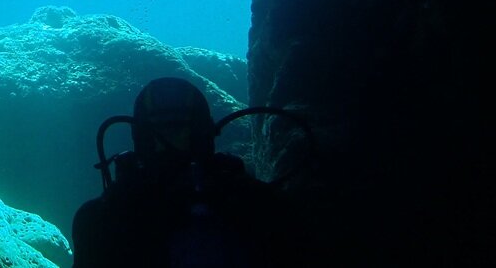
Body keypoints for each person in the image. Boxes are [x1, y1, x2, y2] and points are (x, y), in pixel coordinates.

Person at [71, 77, 314, 267]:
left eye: (177, 128)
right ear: (208, 133)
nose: (170, 145)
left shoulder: (101, 217)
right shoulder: (259, 205)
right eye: (163, 131)